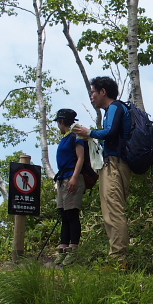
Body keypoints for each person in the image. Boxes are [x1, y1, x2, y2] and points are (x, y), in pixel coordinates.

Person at [73, 76, 131, 266]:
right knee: (111, 210)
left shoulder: (115, 107)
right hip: (115, 163)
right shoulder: (112, 110)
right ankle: (117, 258)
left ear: (103, 92)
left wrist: (88, 133)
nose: (91, 97)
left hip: (114, 164)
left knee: (113, 211)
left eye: (93, 92)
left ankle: (118, 261)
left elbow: (110, 132)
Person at [53, 108, 88, 267]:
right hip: (62, 179)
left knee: (72, 214)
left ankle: (73, 250)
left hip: (72, 178)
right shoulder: (64, 138)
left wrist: (74, 177)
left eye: (58, 122)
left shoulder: (75, 136)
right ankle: (63, 248)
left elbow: (80, 158)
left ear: (61, 122)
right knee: (64, 215)